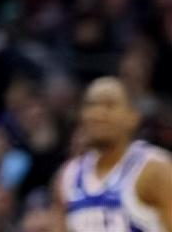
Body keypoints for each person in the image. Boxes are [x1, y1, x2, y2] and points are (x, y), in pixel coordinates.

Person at [52, 76, 172, 231]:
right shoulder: (68, 176)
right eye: (91, 105)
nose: (97, 113)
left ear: (133, 117)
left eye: (109, 105)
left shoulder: (156, 169)